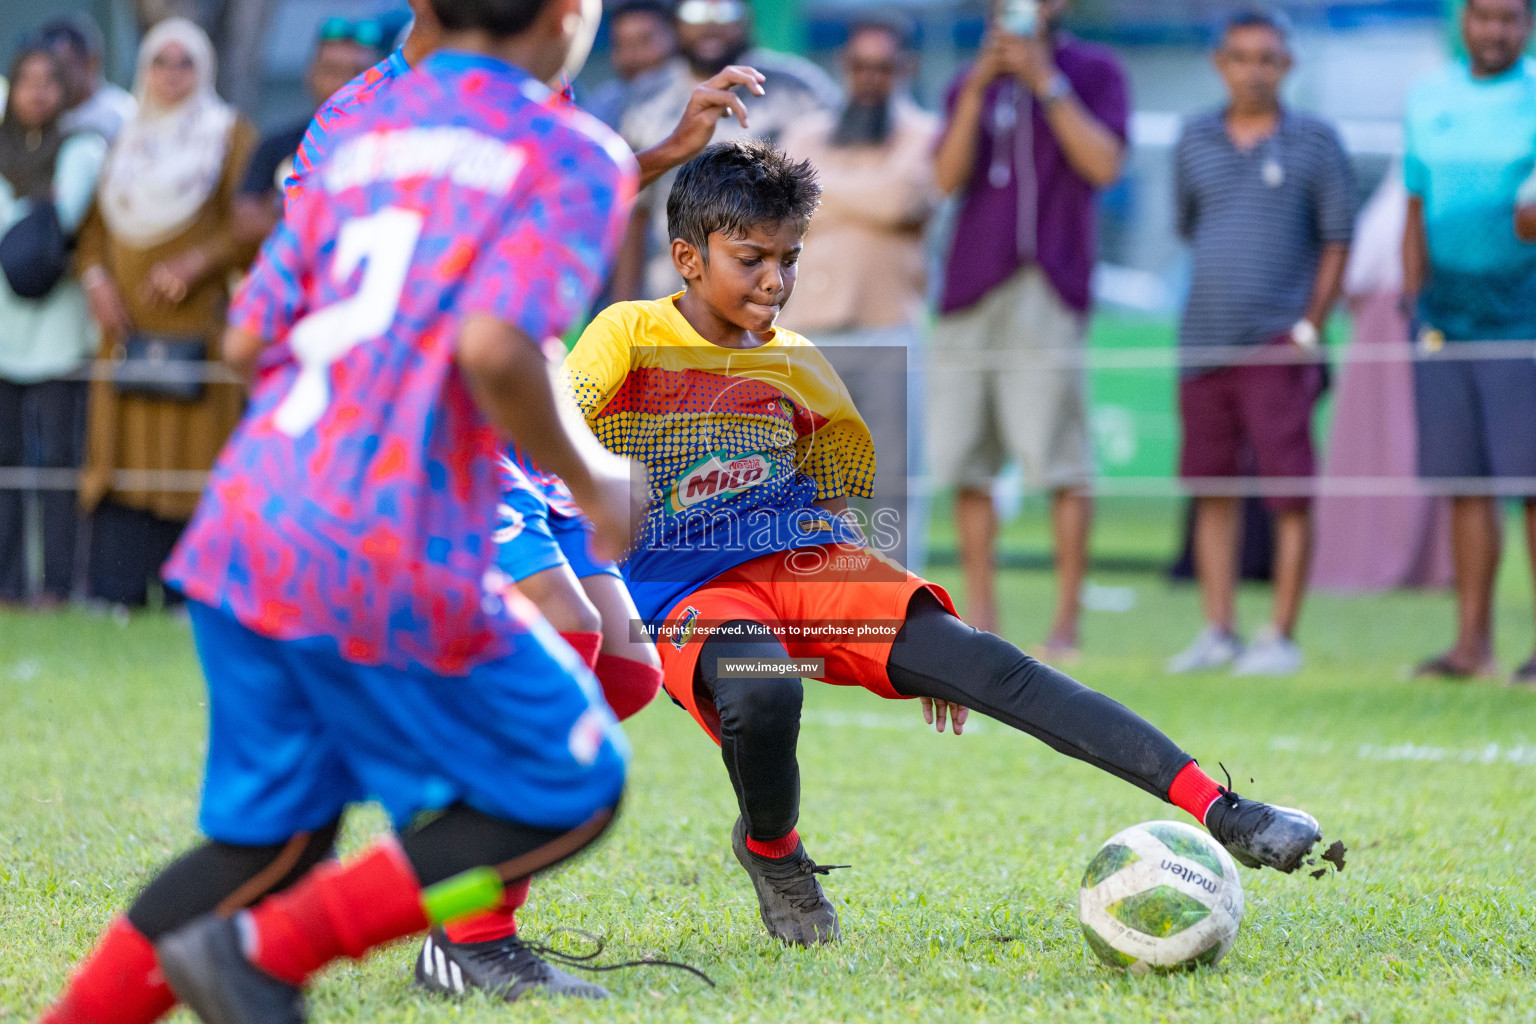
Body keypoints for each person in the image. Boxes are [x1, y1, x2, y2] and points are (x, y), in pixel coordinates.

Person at [34, 0, 641, 1021]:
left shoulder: (358, 134)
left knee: (271, 841)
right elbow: (495, 347)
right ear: (570, 15)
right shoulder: (566, 144)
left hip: (248, 520)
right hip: (384, 539)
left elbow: (244, 338)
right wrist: (592, 479)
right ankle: (269, 954)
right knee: (570, 781)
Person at [564, 138, 1324, 949]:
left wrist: (911, 638)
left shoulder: (803, 369)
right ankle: (772, 852)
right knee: (765, 689)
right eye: (751, 259)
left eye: (788, 259)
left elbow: (831, 504)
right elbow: (546, 436)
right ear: (686, 256)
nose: (775, 281)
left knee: (990, 666)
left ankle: (1223, 807)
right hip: (685, 595)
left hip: (806, 567)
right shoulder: (626, 334)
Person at [274, 0, 768, 998]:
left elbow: (555, 192)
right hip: (447, 403)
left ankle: (459, 878)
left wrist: (667, 147)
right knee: (559, 626)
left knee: (627, 672)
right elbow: (310, 248)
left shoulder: (535, 84)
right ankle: (466, 930)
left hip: (530, 402)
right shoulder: (370, 109)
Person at [929, 0, 1126, 656]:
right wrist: (980, 88)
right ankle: (982, 619)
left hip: (1049, 287)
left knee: (1060, 459)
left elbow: (1103, 166)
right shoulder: (968, 80)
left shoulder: (1094, 72)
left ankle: (1066, 624)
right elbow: (944, 179)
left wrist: (1047, 83)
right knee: (966, 458)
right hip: (969, 291)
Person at [1165, 8, 1355, 677]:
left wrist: (1307, 328)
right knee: (1211, 490)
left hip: (1279, 344)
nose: (1254, 70)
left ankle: (1279, 635)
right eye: (1241, 57)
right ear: (1221, 63)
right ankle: (1218, 630)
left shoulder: (1318, 142)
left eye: (1267, 58)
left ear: (1287, 65)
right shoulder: (1191, 138)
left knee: (1288, 491)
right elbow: (1191, 227)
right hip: (1203, 342)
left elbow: (1338, 238)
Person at [75, 18, 259, 611]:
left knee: (192, 461)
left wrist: (199, 261)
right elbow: (94, 227)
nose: (172, 74)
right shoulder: (123, 135)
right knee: (124, 459)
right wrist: (96, 277)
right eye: (161, 61)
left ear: (203, 68)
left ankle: (191, 596)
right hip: (124, 329)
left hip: (195, 332)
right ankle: (119, 591)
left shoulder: (227, 135)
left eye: (185, 63)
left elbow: (252, 220)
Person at [1403, 0, 1536, 684]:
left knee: (1534, 485)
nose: (1495, 31)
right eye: (1484, 17)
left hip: (1526, 323)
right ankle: (1470, 644)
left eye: (1510, 18)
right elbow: (1415, 206)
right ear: (1464, 21)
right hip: (1443, 321)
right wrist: (1412, 304)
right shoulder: (1429, 98)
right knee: (1465, 485)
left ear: (1528, 25)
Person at [778, 15, 938, 571]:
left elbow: (902, 202)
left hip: (888, 332)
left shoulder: (925, 135)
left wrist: (822, 191)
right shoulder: (805, 134)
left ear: (906, 70)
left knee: (894, 487)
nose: (871, 78)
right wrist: (865, 197)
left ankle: (906, 621)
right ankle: (811, 616)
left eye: (884, 67)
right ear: (843, 70)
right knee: (802, 489)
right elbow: (786, 209)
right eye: (860, 66)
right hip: (807, 336)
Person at [618, 0, 839, 299]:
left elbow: (832, 193)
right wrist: (622, 302)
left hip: (773, 302)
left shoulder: (799, 90)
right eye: (695, 12)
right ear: (675, 23)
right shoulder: (646, 96)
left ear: (746, 19)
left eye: (725, 11)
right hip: (672, 298)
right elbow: (633, 211)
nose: (710, 25)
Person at [1309, 167, 1454, 593]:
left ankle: (1395, 561)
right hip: (1420, 329)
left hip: (1402, 328)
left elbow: (1358, 274)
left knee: (1398, 446)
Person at [0, 45, 108, 608]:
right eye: (26, 79)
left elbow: (60, 220)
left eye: (49, 80)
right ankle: (7, 584)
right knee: (6, 469)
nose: (36, 92)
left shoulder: (82, 147)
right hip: (4, 337)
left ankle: (58, 584)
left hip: (61, 337)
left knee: (60, 467)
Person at [231, 17, 383, 247]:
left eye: (360, 73)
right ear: (311, 76)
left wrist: (289, 211)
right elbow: (245, 224)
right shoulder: (276, 146)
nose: (347, 84)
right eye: (333, 71)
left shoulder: (394, 146)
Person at [38, 14, 138, 142]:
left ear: (91, 61)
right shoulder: (47, 113)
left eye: (64, 66)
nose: (56, 76)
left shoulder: (120, 113)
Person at [583, 0, 677, 131]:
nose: (632, 56)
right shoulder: (605, 99)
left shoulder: (696, 93)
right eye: (620, 44)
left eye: (644, 42)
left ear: (674, 34)